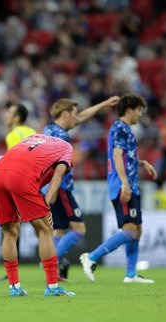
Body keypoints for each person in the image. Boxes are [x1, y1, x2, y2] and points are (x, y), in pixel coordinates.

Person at [80, 94, 157, 284]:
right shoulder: (120, 127)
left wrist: (141, 163)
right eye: (139, 110)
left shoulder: (125, 130)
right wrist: (125, 183)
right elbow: (116, 156)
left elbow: (125, 158)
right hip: (123, 185)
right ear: (130, 110)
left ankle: (130, 274)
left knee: (137, 229)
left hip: (131, 183)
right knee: (130, 230)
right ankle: (91, 257)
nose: (140, 115)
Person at [0, 134, 75, 297]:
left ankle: (14, 287)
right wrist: (47, 202)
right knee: (45, 230)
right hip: (20, 176)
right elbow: (58, 175)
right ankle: (53, 288)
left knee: (9, 232)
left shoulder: (31, 138)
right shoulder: (67, 147)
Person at [43, 96, 119, 279]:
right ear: (65, 114)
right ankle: (50, 260)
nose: (77, 119)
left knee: (60, 231)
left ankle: (52, 270)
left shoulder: (49, 129)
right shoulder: (60, 136)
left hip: (52, 186)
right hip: (61, 187)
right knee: (79, 229)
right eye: (74, 114)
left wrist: (102, 104)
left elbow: (81, 117)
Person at [0, 102, 37, 282]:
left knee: (11, 227)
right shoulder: (33, 132)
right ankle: (56, 263)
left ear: (17, 117)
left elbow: (15, 160)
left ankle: (11, 272)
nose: (6, 115)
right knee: (42, 227)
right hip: (36, 182)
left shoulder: (13, 135)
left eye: (10, 112)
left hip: (19, 181)